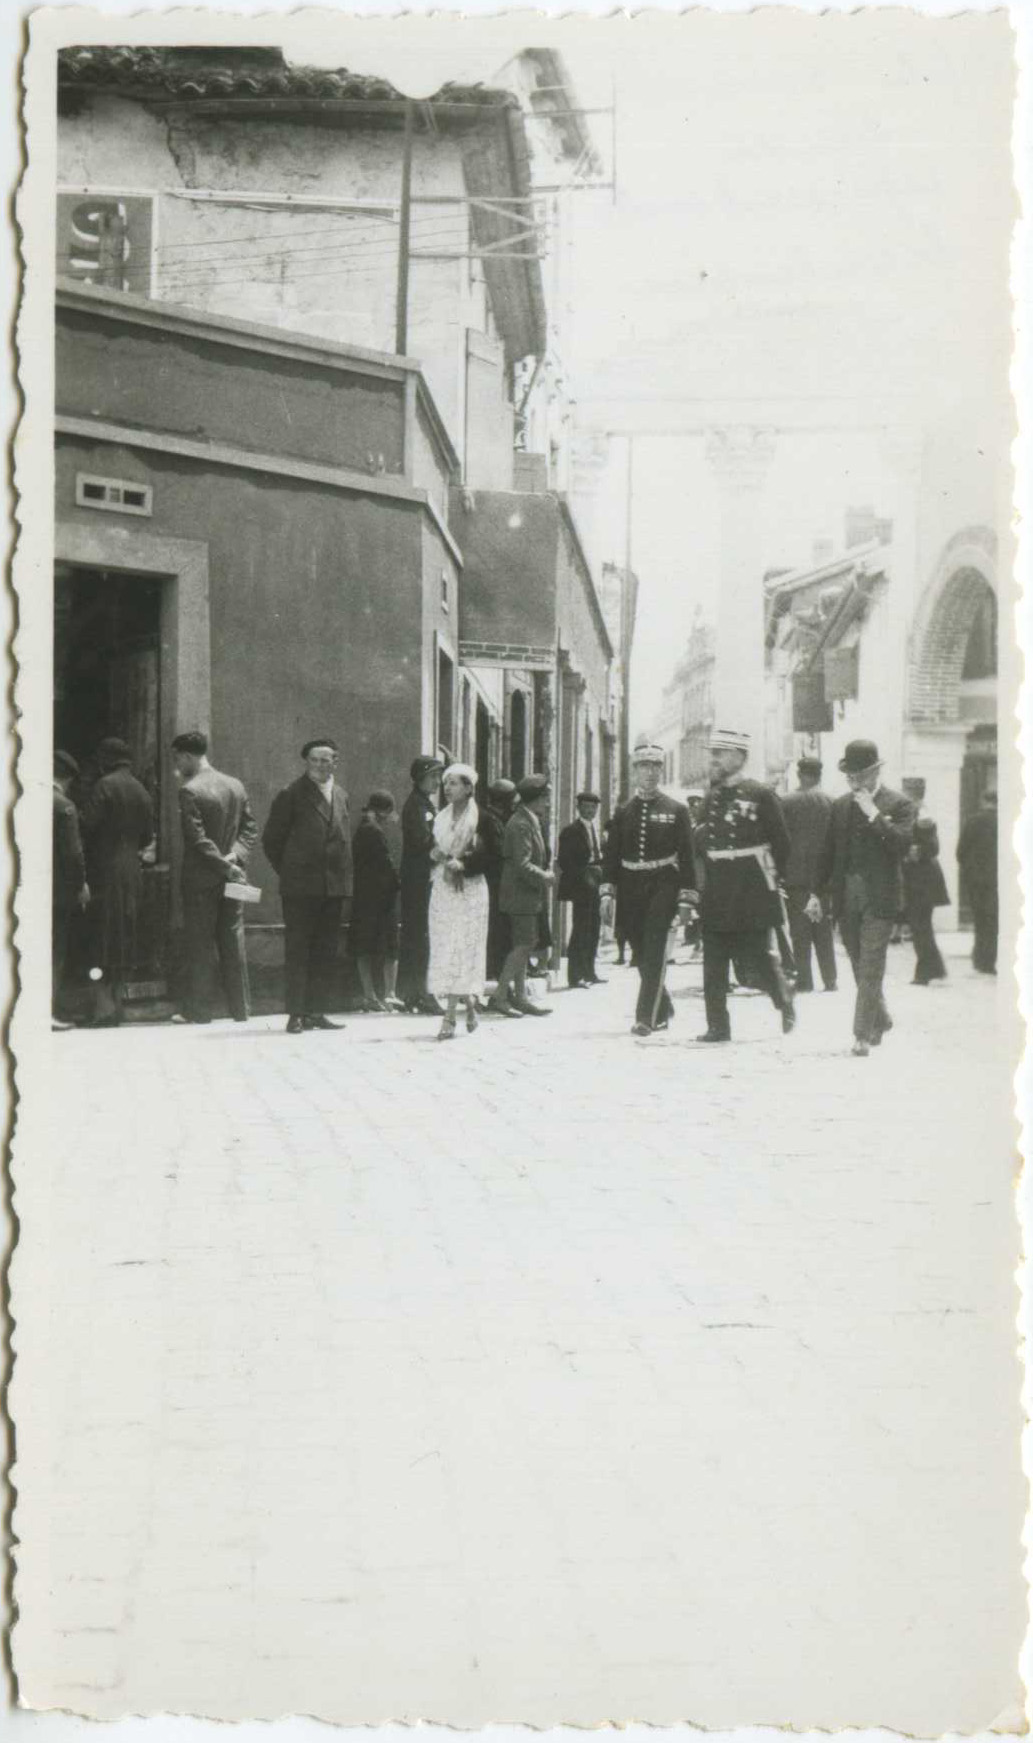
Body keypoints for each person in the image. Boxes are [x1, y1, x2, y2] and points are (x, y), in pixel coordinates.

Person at [694, 728, 794, 1045]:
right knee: (713, 958)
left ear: (739, 757)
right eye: (713, 753)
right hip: (717, 883)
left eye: (720, 753)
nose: (714, 759)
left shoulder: (761, 794)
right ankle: (718, 1026)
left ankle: (783, 997)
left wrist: (772, 880)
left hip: (751, 883)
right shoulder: (710, 797)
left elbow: (782, 843)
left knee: (756, 955)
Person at [817, 737, 915, 1057]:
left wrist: (874, 814)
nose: (854, 782)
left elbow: (900, 845)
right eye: (850, 777)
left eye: (859, 776)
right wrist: (817, 894)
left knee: (872, 964)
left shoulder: (899, 805)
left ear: (875, 773)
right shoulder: (839, 806)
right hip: (847, 897)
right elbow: (828, 854)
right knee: (859, 964)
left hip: (880, 897)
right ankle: (882, 1017)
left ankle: (861, 1034)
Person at [601, 741, 696, 1037]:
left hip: (663, 884)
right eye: (644, 767)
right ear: (636, 771)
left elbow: (688, 857)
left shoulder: (677, 810)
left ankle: (646, 1017)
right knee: (640, 953)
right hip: (630, 888)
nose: (650, 773)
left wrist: (686, 899)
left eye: (656, 767)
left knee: (655, 950)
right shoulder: (623, 812)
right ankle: (664, 1006)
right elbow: (612, 855)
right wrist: (607, 892)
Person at [262, 738, 352, 1035]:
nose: (319, 766)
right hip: (300, 888)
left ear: (335, 763)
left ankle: (317, 1011)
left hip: (333, 887)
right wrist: (291, 871)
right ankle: (296, 1014)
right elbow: (272, 840)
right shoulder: (291, 794)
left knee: (325, 951)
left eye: (326, 760)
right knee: (299, 950)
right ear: (306, 762)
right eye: (314, 760)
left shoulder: (340, 795)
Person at [170, 730, 257, 1025]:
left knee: (200, 943)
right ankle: (241, 1009)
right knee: (233, 939)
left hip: (201, 880)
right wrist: (235, 858)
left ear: (187, 756)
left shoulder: (190, 790)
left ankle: (199, 1011)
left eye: (178, 759)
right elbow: (249, 830)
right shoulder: (235, 785)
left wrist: (222, 864)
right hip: (233, 876)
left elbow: (197, 839)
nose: (178, 765)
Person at [80, 737, 155, 1027]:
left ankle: (102, 1009)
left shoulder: (104, 785)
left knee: (101, 934)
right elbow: (148, 837)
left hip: (104, 869)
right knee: (123, 934)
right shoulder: (141, 790)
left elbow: (87, 825)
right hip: (131, 871)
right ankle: (117, 1005)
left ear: (106, 758)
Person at [427, 763, 492, 1039]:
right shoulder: (439, 819)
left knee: (465, 948)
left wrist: (464, 863)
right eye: (446, 783)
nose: (447, 788)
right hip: (443, 889)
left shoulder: (483, 819)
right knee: (446, 947)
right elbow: (428, 848)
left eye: (454, 783)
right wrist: (437, 856)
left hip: (470, 891)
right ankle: (470, 1006)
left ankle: (450, 1016)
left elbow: (491, 856)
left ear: (468, 788)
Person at [491, 773, 555, 1018]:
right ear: (535, 799)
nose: (547, 803)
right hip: (520, 894)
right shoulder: (520, 824)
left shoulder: (527, 819)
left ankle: (520, 997)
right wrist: (545, 877)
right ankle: (500, 996)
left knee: (522, 944)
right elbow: (522, 864)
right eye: (545, 798)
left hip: (524, 894)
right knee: (524, 945)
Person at [781, 755, 837, 993]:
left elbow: (781, 840)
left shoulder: (786, 802)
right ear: (819, 775)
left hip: (795, 877)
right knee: (824, 930)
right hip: (824, 877)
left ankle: (805, 980)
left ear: (800, 774)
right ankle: (830, 979)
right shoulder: (831, 802)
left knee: (800, 932)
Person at [397, 755, 444, 1015]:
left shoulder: (423, 803)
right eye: (434, 776)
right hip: (419, 879)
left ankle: (413, 993)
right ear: (421, 778)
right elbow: (422, 840)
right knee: (421, 936)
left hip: (421, 877)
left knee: (419, 936)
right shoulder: (416, 805)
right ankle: (421, 993)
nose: (438, 782)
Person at [351, 791, 403, 1011]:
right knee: (390, 945)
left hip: (364, 896)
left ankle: (370, 994)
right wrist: (398, 883)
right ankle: (386, 993)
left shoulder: (363, 828)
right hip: (381, 898)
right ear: (383, 811)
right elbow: (386, 864)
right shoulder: (373, 831)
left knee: (364, 945)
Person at [52, 750, 90, 1029]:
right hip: (57, 894)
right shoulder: (63, 806)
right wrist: (80, 886)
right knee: (54, 950)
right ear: (68, 778)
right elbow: (73, 855)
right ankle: (47, 1010)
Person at [558, 791, 606, 989]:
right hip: (581, 886)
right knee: (580, 929)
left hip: (596, 884)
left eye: (594, 807)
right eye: (586, 806)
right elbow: (565, 861)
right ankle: (575, 976)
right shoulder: (571, 831)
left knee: (594, 928)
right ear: (579, 808)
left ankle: (590, 972)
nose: (590, 810)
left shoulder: (595, 829)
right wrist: (583, 877)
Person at [905, 812, 950, 985]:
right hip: (923, 883)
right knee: (922, 929)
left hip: (920, 884)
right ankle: (934, 969)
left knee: (920, 929)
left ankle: (925, 973)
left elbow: (928, 848)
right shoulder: (923, 820)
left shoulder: (922, 820)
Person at [957, 787, 998, 974]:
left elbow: (960, 851)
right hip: (997, 880)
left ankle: (979, 959)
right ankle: (988, 961)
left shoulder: (973, 821)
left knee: (979, 919)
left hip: (975, 880)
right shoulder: (1005, 821)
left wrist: (968, 870)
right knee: (993, 920)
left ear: (984, 801)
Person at [482, 777, 517, 981]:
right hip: (493, 883)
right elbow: (497, 852)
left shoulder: (498, 819)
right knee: (495, 928)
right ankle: (493, 970)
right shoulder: (489, 820)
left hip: (500, 883)